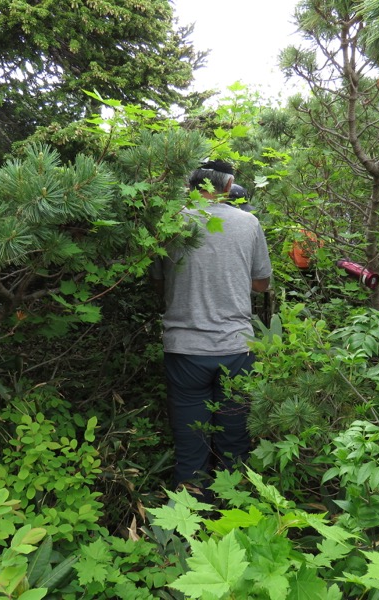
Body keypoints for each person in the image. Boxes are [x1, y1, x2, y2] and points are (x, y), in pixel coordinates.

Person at [150, 160, 273, 496]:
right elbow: (261, 284)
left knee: (190, 444)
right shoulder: (248, 223)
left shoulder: (170, 222)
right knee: (234, 441)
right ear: (229, 184)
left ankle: (188, 526)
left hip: (184, 349)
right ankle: (233, 512)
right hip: (235, 349)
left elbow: (159, 285)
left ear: (190, 185)